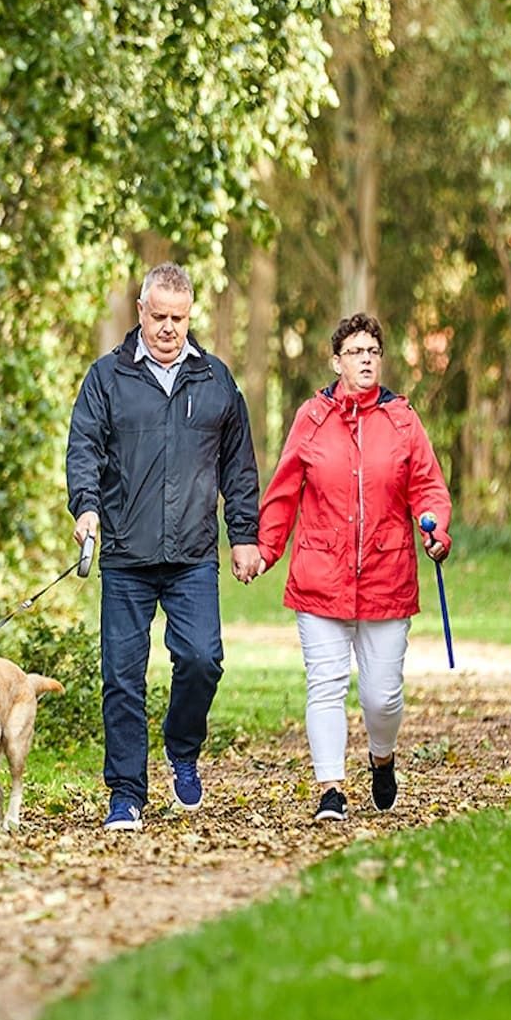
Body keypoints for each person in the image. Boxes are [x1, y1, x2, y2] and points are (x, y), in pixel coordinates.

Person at [66, 263, 264, 831]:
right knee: (122, 677)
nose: (169, 328)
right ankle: (127, 794)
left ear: (190, 315)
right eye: (159, 317)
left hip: (193, 554)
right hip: (126, 554)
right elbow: (84, 448)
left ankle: (182, 748)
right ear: (141, 312)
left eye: (179, 318)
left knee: (203, 659)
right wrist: (86, 507)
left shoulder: (215, 380)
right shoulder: (107, 378)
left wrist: (244, 536)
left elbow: (239, 466)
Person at [254, 312, 451, 823]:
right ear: (336, 361)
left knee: (382, 698)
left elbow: (428, 487)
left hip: (387, 576)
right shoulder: (312, 417)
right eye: (356, 352)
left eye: (373, 352)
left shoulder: (402, 420)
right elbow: (283, 492)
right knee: (325, 684)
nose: (366, 360)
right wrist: (265, 550)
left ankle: (382, 758)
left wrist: (436, 532)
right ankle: (331, 789)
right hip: (320, 577)